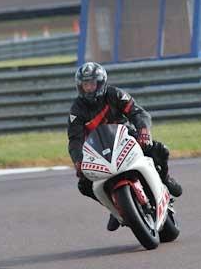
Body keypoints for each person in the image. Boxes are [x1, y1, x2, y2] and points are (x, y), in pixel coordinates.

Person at [67, 62, 183, 231]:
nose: (89, 88)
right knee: (84, 185)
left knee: (158, 149)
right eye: (85, 85)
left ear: (100, 83)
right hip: (99, 150)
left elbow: (137, 112)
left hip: (125, 138)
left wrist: (143, 130)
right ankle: (114, 207)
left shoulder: (115, 94)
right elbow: (75, 139)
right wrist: (78, 161)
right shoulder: (77, 109)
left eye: (92, 84)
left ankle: (165, 178)